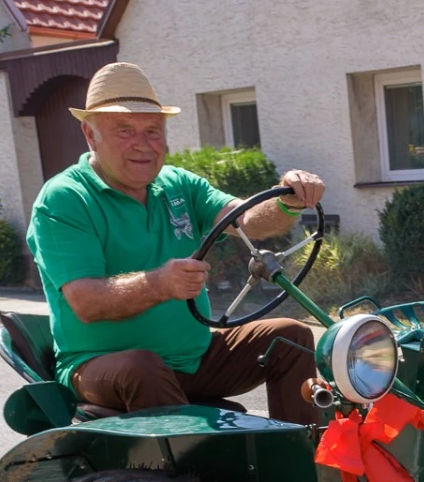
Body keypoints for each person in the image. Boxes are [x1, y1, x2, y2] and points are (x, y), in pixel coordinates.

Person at [25, 61, 326, 422]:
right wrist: (159, 284)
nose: (143, 145)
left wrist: (287, 201)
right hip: (99, 367)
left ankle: (307, 461)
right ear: (90, 135)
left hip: (194, 358)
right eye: (124, 130)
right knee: (142, 367)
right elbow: (86, 302)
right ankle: (196, 474)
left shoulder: (177, 184)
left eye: (152, 130)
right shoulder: (65, 198)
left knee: (290, 336)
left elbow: (247, 219)